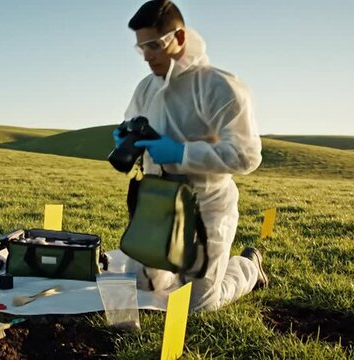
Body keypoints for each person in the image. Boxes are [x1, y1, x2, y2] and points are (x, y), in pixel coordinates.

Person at [115, 0, 269, 312]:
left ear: (180, 38)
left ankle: (248, 266)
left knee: (200, 305)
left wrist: (182, 153)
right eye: (140, 47)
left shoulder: (220, 86)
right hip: (157, 203)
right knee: (140, 288)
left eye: (154, 45)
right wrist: (125, 135)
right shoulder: (145, 88)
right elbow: (131, 121)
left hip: (206, 207)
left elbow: (247, 156)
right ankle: (171, 265)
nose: (146, 56)